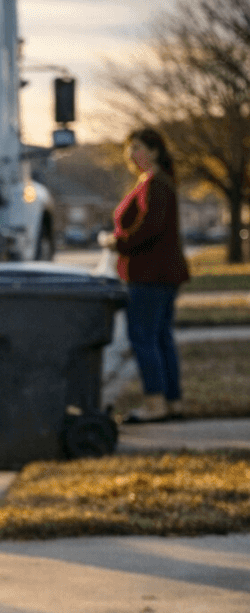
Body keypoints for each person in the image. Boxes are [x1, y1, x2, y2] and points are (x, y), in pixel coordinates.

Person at [99, 126, 190, 423]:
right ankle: (172, 402)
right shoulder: (155, 182)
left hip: (150, 275)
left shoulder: (155, 184)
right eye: (128, 149)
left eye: (137, 147)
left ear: (154, 151)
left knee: (143, 338)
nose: (131, 154)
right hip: (161, 274)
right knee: (161, 338)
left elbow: (150, 228)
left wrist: (117, 242)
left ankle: (155, 404)